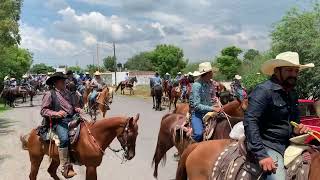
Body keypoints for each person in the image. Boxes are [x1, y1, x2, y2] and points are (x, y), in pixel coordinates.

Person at [244, 51, 314, 179]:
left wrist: (298, 130)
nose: (293, 74)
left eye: (296, 71)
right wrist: (262, 155)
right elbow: (250, 121)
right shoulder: (263, 90)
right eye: (289, 70)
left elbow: (293, 122)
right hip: (267, 144)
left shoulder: (292, 93)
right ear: (277, 71)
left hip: (288, 143)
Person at [41, 72, 82, 178]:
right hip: (59, 121)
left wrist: (77, 109)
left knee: (86, 129)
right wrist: (56, 113)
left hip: (72, 118)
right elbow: (43, 111)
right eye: (61, 80)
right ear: (55, 83)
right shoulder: (49, 94)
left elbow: (73, 107)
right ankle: (65, 166)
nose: (64, 82)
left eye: (64, 80)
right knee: (64, 138)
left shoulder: (68, 93)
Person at [189, 62, 222, 142]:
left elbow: (212, 97)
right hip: (198, 113)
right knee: (199, 134)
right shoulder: (197, 85)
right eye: (211, 72)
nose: (212, 74)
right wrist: (213, 108)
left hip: (209, 112)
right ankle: (189, 149)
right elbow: (196, 105)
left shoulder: (209, 84)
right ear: (206, 73)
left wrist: (217, 103)